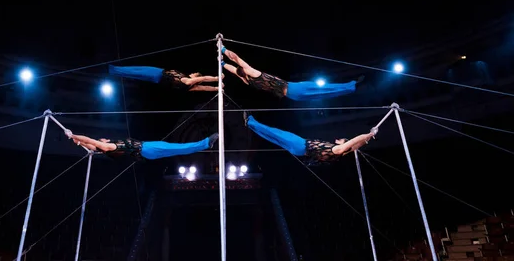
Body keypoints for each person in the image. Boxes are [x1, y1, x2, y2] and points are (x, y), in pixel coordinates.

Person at [221, 47, 362, 101]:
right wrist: (223, 49)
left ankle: (350, 88)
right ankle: (351, 85)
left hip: (292, 96)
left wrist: (221, 63)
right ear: (245, 70)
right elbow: (237, 59)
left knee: (323, 93)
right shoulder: (252, 73)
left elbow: (233, 70)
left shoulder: (246, 80)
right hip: (294, 88)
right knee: (323, 88)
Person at [243, 112, 377, 164]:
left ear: (344, 144)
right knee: (274, 138)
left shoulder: (338, 150)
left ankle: (251, 121)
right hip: (300, 150)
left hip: (300, 145)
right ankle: (251, 125)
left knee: (276, 133)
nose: (339, 139)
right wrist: (367, 140)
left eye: (342, 139)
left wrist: (369, 134)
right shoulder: (340, 153)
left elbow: (353, 141)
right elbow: (356, 145)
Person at [64, 129, 219, 161]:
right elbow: (90, 141)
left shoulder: (104, 148)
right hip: (146, 149)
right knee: (177, 148)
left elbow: (87, 143)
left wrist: (75, 140)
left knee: (176, 149)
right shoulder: (107, 147)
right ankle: (205, 143)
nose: (103, 138)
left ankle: (204, 144)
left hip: (146, 149)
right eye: (101, 139)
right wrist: (73, 135)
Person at [108, 65, 221, 92]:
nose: (193, 73)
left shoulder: (188, 81)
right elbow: (205, 87)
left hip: (157, 74)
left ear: (197, 78)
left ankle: (113, 69)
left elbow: (205, 79)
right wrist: (217, 88)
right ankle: (114, 71)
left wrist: (217, 78)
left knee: (136, 70)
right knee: (135, 73)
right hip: (157, 79)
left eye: (195, 74)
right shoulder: (192, 87)